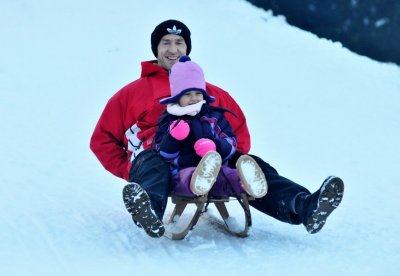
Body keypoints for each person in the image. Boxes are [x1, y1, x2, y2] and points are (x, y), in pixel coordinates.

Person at [90, 19, 344, 238]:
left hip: (209, 162)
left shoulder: (211, 93)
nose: (172, 49)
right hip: (159, 161)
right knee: (151, 164)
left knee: (251, 165)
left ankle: (302, 206)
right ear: (155, 48)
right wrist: (131, 170)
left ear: (187, 48)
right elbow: (102, 140)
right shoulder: (131, 94)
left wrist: (227, 157)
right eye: (166, 42)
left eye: (179, 43)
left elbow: (238, 130)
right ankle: (150, 213)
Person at [154, 55, 268, 200]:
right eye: (187, 94)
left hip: (216, 170)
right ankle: (199, 180)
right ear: (177, 97)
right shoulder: (170, 120)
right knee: (186, 178)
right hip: (182, 172)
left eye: (198, 93)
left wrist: (215, 146)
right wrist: (173, 138)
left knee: (227, 177)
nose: (194, 98)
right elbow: (162, 155)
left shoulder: (214, 117)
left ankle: (245, 183)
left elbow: (231, 143)